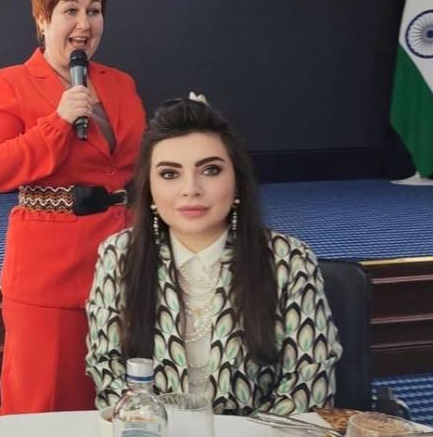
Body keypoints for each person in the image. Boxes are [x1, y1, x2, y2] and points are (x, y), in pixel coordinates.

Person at [85, 97, 340, 415]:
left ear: (237, 182)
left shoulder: (288, 260)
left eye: (210, 170)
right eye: (170, 174)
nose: (191, 189)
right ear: (149, 189)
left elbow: (308, 389)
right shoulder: (119, 256)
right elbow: (108, 373)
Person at [0, 0, 146, 414]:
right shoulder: (8, 84)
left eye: (94, 10)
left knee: (118, 402)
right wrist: (58, 121)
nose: (84, 23)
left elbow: (138, 165)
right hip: (50, 274)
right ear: (42, 18)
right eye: (70, 10)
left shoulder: (121, 84)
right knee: (44, 405)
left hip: (125, 261)